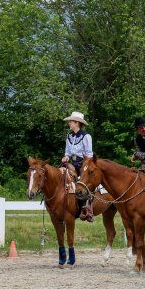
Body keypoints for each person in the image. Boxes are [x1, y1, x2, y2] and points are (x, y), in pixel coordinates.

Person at [59, 111, 92, 267]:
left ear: (77, 123)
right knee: (59, 177)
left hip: (82, 164)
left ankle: (86, 208)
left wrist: (82, 164)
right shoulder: (69, 136)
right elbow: (67, 151)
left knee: (82, 184)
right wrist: (66, 157)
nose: (69, 123)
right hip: (69, 163)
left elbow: (89, 154)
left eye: (71, 121)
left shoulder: (86, 136)